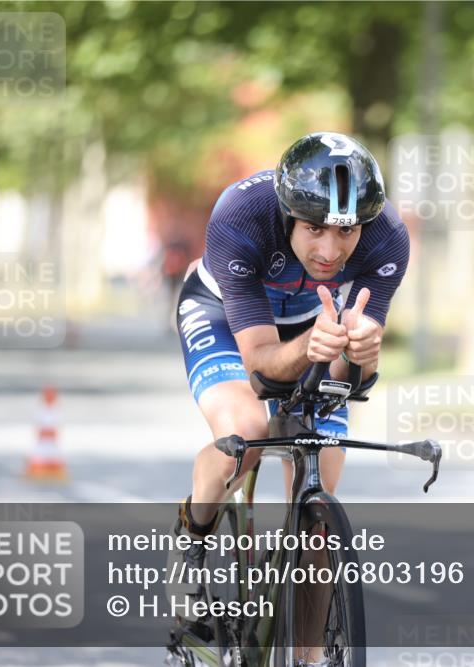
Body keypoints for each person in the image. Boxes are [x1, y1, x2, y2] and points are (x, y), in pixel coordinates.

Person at [172, 132, 409, 659]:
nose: (330, 250)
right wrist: (316, 345)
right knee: (247, 431)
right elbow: (260, 367)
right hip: (225, 317)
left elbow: (352, 379)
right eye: (315, 229)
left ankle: (306, 655)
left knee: (319, 475)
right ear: (288, 214)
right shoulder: (242, 214)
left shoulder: (388, 236)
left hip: (310, 321)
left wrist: (364, 353)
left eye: (346, 232)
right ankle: (192, 541)